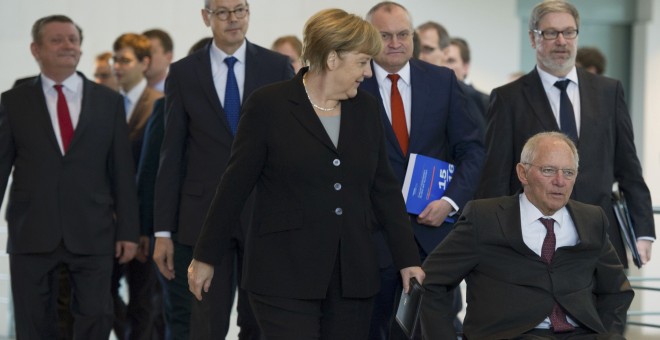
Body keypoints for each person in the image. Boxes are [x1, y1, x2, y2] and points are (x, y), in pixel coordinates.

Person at [188, 8, 424, 339]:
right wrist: (205, 256)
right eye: (361, 62)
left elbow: (383, 189)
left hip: (352, 276)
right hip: (283, 275)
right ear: (331, 59)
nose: (369, 73)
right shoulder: (269, 105)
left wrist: (407, 260)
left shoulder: (366, 109)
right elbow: (234, 186)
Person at [152, 0, 294, 338]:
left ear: (248, 13)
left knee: (259, 321)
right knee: (206, 323)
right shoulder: (185, 72)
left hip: (262, 214)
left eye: (240, 10)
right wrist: (162, 232)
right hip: (203, 216)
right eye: (222, 12)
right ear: (206, 17)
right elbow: (171, 155)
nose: (233, 19)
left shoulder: (276, 67)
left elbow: (289, 149)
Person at [476, 0, 655, 268]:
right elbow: (496, 176)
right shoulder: (508, 98)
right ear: (533, 38)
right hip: (534, 241)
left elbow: (628, 166)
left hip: (600, 239)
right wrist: (491, 239)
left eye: (569, 32)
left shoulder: (609, 91)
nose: (561, 41)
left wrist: (643, 230)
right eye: (550, 33)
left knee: (608, 309)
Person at [0, 15, 139, 339]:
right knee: (33, 321)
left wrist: (129, 231)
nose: (68, 46)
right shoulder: (14, 101)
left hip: (93, 229)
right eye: (57, 40)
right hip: (31, 229)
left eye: (73, 39)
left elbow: (121, 170)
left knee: (96, 317)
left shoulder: (108, 101)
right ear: (36, 49)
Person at [421, 132, 634, 339]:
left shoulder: (592, 219)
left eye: (568, 172)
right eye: (549, 170)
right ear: (523, 173)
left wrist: (608, 334)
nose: (560, 181)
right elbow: (431, 282)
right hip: (512, 334)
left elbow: (617, 291)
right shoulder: (484, 217)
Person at [360, 2, 485, 339]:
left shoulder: (441, 81)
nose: (396, 43)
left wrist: (450, 201)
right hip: (372, 238)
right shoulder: (356, 81)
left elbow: (472, 149)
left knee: (433, 331)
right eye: (385, 36)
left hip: (432, 236)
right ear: (369, 36)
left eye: (403, 34)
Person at [137, 38, 211, 340]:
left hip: (234, 232)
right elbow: (152, 171)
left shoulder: (248, 108)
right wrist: (150, 231)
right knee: (183, 317)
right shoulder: (165, 107)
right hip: (181, 232)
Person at [112, 32, 166, 340]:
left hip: (145, 221)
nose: (118, 66)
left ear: (144, 63)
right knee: (102, 296)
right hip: (111, 219)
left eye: (125, 59)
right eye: (115, 58)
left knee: (145, 300)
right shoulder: (106, 102)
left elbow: (157, 172)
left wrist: (149, 226)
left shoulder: (160, 103)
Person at [445, 37, 489, 116]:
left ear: (465, 67)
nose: (444, 66)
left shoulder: (484, 102)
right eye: (442, 61)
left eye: (451, 61)